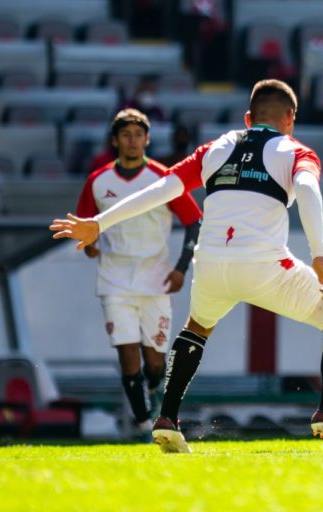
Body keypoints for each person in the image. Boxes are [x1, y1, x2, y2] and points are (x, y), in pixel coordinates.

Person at [51, 79, 323, 452]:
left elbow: (162, 189)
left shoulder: (215, 148)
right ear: (291, 118)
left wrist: (100, 223)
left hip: (210, 263)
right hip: (264, 264)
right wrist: (319, 255)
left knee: (196, 328)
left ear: (248, 117)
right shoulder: (295, 150)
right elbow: (307, 191)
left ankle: (167, 420)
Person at [75, 108, 203, 439]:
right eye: (125, 135)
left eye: (138, 134)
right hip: (114, 278)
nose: (132, 141)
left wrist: (180, 268)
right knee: (127, 353)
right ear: (115, 140)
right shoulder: (98, 180)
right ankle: (145, 424)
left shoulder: (163, 178)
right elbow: (86, 226)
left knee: (155, 360)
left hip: (156, 279)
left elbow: (194, 222)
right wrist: (88, 245)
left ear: (147, 139)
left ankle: (157, 397)